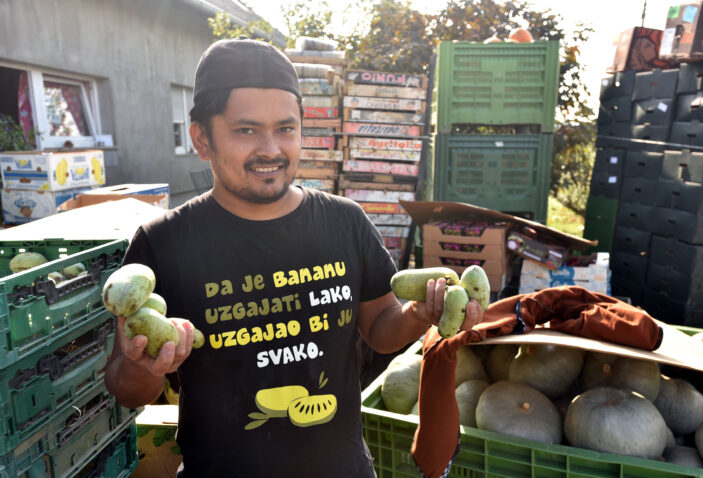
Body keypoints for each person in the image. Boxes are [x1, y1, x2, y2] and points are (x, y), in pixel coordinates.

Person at [104, 37, 483, 477]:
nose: (271, 149)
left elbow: (380, 331)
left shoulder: (344, 222)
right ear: (202, 139)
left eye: (285, 129)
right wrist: (142, 366)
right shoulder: (162, 242)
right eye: (246, 130)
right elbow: (127, 389)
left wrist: (420, 313)